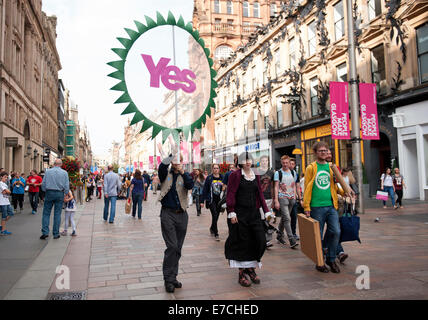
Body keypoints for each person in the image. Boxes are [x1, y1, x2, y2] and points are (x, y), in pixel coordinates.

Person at [225, 152, 269, 287]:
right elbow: (230, 193)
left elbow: (260, 194)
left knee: (260, 240)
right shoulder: (235, 175)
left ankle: (251, 267)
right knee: (242, 242)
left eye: (249, 159)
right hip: (240, 214)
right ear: (240, 162)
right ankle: (242, 273)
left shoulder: (255, 174)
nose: (248, 162)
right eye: (245, 160)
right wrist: (231, 211)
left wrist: (266, 211)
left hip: (254, 214)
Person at [157, 139, 194, 294]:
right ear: (172, 162)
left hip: (182, 215)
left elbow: (190, 185)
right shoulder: (165, 173)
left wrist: (183, 172)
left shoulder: (185, 175)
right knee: (171, 246)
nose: (178, 164)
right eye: (175, 162)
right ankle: (168, 279)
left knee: (177, 248)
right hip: (167, 214)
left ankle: (173, 277)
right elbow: (162, 166)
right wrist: (172, 153)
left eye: (180, 162)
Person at [303, 142, 346, 273]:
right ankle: (319, 262)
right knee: (318, 236)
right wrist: (306, 206)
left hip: (331, 206)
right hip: (316, 207)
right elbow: (307, 188)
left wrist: (345, 193)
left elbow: (335, 186)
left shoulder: (332, 167)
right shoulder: (311, 168)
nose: (324, 152)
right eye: (321, 151)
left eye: (325, 150)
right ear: (315, 153)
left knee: (336, 231)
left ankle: (331, 259)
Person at [40, 159, 70, 240]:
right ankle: (56, 233)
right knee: (57, 214)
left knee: (46, 213)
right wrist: (66, 194)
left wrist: (45, 191)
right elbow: (67, 185)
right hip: (59, 193)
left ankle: (45, 232)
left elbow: (43, 184)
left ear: (54, 164)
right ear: (61, 164)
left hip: (49, 192)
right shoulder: (64, 173)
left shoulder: (48, 172)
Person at [273, 155, 299, 249]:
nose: (285, 164)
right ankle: (291, 239)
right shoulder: (278, 173)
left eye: (286, 162)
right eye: (283, 163)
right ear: (281, 162)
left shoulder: (293, 172)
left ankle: (279, 234)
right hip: (282, 197)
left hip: (291, 198)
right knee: (287, 218)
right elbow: (276, 187)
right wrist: (276, 200)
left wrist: (295, 195)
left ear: (289, 162)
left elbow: (295, 185)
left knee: (285, 218)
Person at [201, 164, 224, 241]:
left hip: (220, 200)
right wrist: (202, 201)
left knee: (216, 216)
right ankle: (216, 233)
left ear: (219, 169)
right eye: (214, 168)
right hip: (211, 200)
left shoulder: (222, 177)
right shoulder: (209, 178)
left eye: (217, 168)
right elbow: (205, 190)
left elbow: (226, 187)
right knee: (214, 214)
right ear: (212, 169)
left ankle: (212, 227)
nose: (216, 169)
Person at [257, 155, 275, 248]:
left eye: (266, 161)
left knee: (268, 219)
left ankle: (267, 239)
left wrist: (273, 199)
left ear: (268, 162)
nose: (264, 162)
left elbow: (272, 186)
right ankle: (263, 238)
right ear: (260, 162)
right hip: (260, 198)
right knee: (262, 218)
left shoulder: (271, 172)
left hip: (269, 198)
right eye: (262, 161)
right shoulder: (257, 172)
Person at [289, 158, 302, 240]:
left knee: (294, 216)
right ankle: (280, 231)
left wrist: (300, 198)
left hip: (293, 199)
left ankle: (293, 233)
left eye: (293, 164)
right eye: (290, 163)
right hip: (284, 198)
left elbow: (298, 187)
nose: (291, 165)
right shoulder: (281, 173)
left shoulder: (295, 174)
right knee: (285, 218)